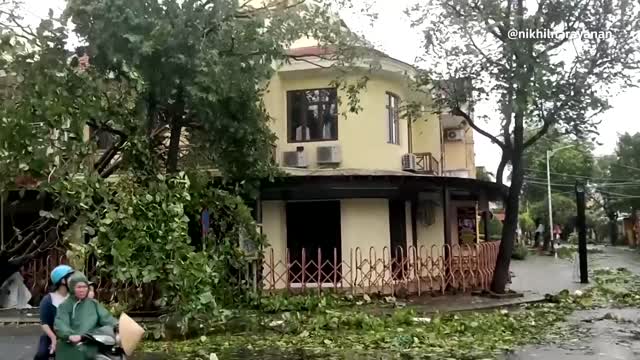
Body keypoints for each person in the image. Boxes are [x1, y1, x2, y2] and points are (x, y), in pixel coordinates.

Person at [54, 272, 117, 360]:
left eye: (84, 287)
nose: (82, 290)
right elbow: (61, 323)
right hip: (72, 344)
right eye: (79, 287)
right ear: (72, 288)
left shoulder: (93, 304)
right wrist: (70, 335)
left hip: (92, 342)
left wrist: (118, 326)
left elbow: (106, 318)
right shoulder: (65, 306)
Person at [34, 265, 74, 360]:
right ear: (63, 281)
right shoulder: (48, 300)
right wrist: (53, 339)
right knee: (42, 354)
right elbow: (44, 323)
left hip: (72, 335)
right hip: (52, 335)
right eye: (71, 277)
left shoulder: (74, 297)